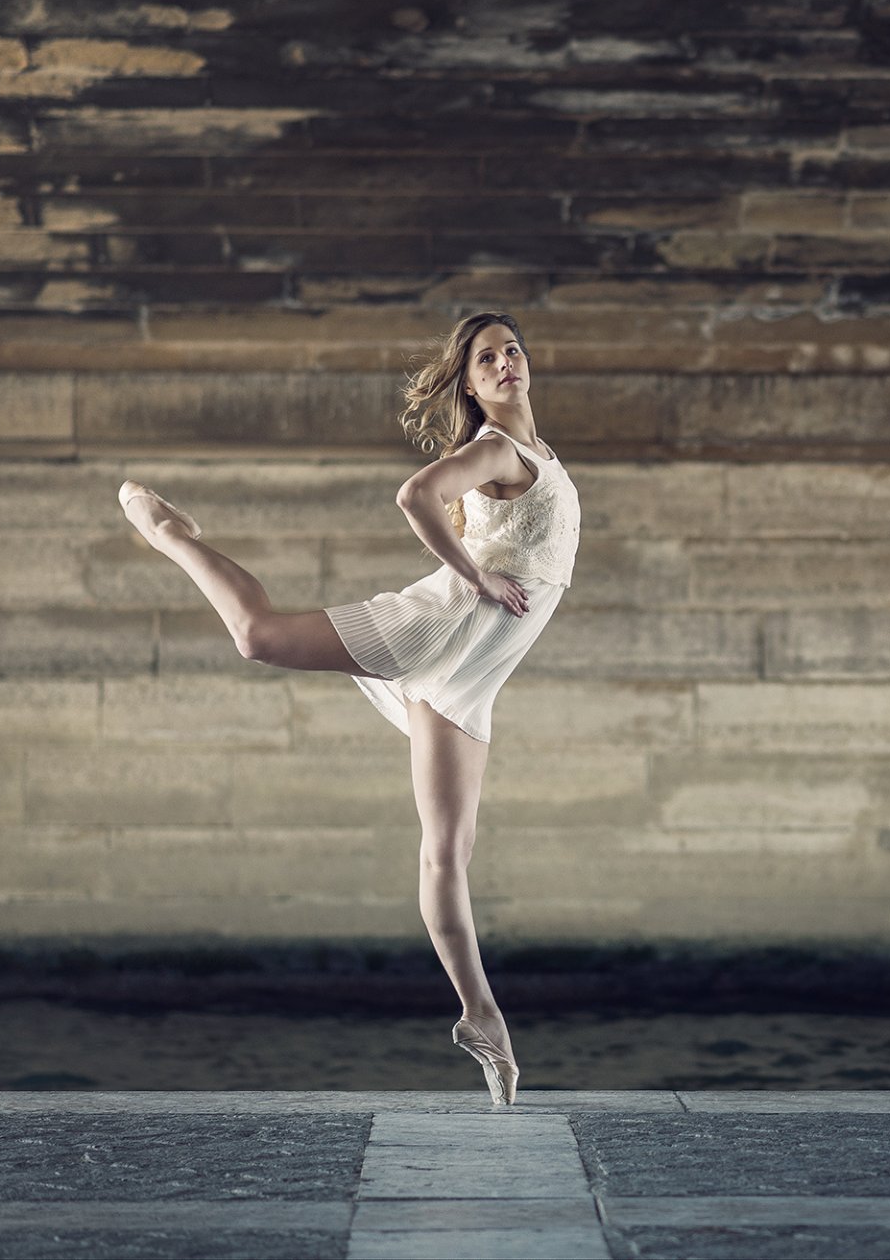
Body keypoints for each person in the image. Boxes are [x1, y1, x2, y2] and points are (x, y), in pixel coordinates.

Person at [115, 311, 579, 1108]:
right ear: (469, 384)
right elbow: (415, 494)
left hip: (470, 673)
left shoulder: (536, 453)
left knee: (447, 856)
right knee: (258, 635)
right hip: (439, 629)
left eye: (512, 350)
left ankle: (482, 1018)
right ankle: (170, 533)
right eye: (486, 358)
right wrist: (474, 576)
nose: (505, 363)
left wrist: (484, 570)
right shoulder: (496, 450)